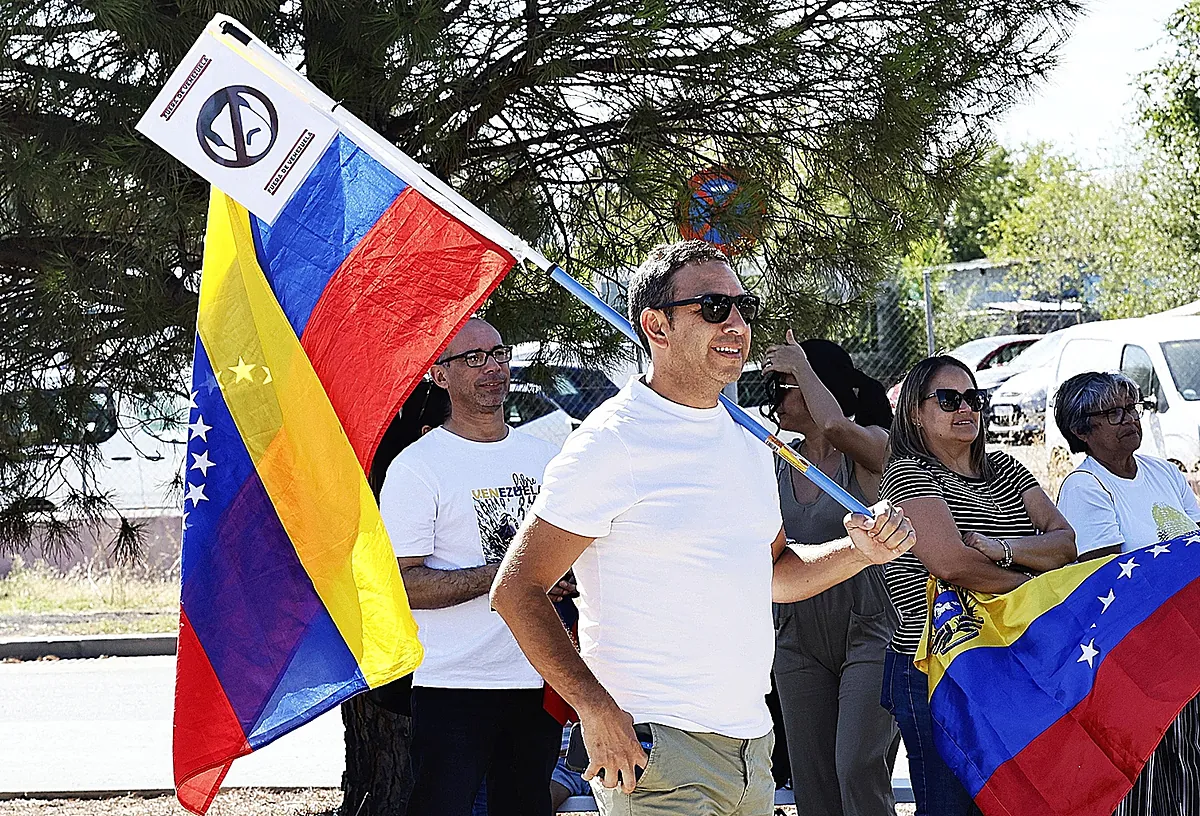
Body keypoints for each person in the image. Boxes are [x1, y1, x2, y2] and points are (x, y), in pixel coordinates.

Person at [490, 240, 915, 816]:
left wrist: (859, 551)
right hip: (656, 754)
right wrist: (593, 709)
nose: (736, 323)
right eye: (714, 307)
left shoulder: (748, 440)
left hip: (750, 749)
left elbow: (773, 574)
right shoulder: (611, 441)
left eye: (743, 305)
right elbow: (516, 589)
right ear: (655, 327)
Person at [379, 318, 569, 816]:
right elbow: (403, 584)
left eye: (499, 353)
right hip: (452, 684)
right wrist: (506, 577)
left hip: (537, 678)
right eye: (473, 358)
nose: (493, 368)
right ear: (439, 375)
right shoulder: (417, 466)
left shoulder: (548, 458)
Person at [880, 355, 1075, 816]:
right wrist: (1031, 581)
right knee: (951, 809)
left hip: (1011, 661)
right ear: (915, 412)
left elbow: (1065, 542)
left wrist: (998, 547)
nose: (965, 409)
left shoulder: (1006, 468)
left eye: (974, 398)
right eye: (948, 400)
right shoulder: (907, 474)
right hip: (935, 669)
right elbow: (951, 563)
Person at [761, 332, 900, 816]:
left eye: (786, 384)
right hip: (796, 635)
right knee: (813, 783)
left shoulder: (870, 449)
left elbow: (836, 427)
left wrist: (801, 363)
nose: (774, 397)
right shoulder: (775, 460)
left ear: (819, 382)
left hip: (870, 631)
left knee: (857, 767)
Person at [1054, 371, 1200, 816]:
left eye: (1131, 408)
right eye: (1113, 413)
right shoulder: (1086, 487)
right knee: (1149, 777)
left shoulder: (1163, 473)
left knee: (1192, 768)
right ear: (1082, 431)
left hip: (1186, 643)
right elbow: (1108, 578)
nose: (1128, 419)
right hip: (1137, 657)